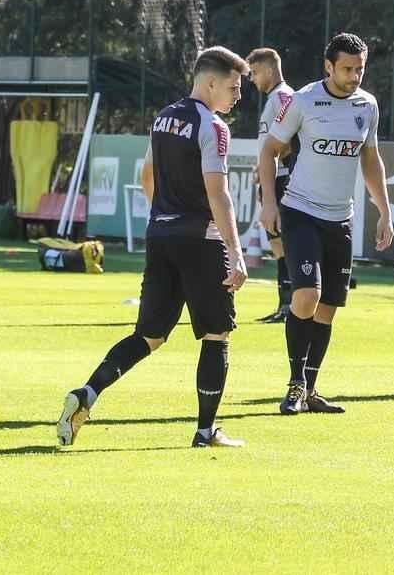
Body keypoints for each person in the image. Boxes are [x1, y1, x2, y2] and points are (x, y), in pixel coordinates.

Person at [56, 46, 251, 448]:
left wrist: (165, 216)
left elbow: (147, 174)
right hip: (202, 240)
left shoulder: (163, 118)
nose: (237, 95)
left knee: (150, 335)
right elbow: (220, 194)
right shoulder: (212, 126)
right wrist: (236, 252)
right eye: (233, 87)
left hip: (160, 236)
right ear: (211, 83)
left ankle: (87, 394)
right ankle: (204, 431)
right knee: (217, 334)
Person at [259, 32, 394, 415]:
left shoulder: (367, 105)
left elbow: (371, 158)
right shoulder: (302, 101)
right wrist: (269, 203)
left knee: (328, 308)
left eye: (360, 69)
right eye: (348, 69)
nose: (355, 76)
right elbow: (269, 151)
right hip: (301, 212)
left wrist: (384, 210)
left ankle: (312, 389)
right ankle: (295, 385)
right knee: (306, 297)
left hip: (342, 218)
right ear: (329, 66)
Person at [247, 47, 296, 323]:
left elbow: (289, 140)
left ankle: (291, 307)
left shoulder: (284, 97)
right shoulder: (274, 99)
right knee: (277, 243)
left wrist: (274, 163)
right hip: (272, 178)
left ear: (268, 70)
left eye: (254, 72)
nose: (252, 79)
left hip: (283, 179)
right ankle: (284, 305)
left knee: (285, 243)